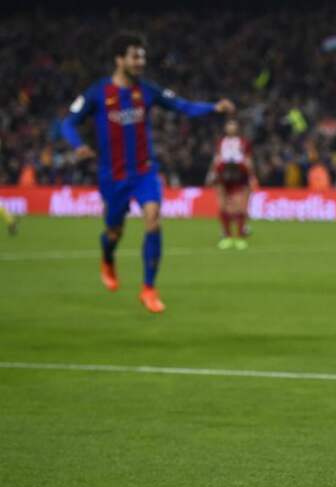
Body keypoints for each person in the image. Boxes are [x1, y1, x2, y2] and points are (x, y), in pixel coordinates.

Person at [61, 31, 234, 312]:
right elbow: (68, 123)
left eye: (142, 56)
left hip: (144, 172)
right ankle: (107, 258)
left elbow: (182, 106)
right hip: (113, 175)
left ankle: (149, 289)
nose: (141, 61)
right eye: (135, 56)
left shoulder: (148, 91)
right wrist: (78, 145)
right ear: (120, 60)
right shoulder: (98, 92)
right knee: (114, 231)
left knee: (153, 220)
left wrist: (213, 107)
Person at [207, 118, 256, 250]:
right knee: (223, 206)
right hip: (223, 174)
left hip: (240, 174)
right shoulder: (221, 142)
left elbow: (248, 159)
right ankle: (227, 236)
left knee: (241, 207)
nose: (231, 127)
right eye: (229, 124)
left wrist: (252, 176)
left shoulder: (244, 142)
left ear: (237, 127)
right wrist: (211, 174)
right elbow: (216, 158)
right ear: (225, 127)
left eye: (233, 124)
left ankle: (240, 237)